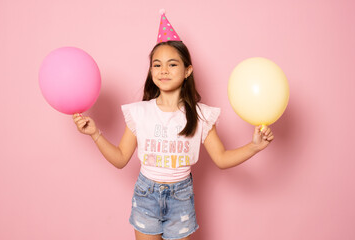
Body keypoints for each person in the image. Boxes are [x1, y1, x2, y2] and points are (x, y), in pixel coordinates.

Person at [73, 11, 274, 240]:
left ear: (187, 70)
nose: (164, 70)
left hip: (181, 197)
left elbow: (221, 158)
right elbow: (120, 159)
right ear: (150, 71)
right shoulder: (140, 113)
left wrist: (254, 147)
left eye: (172, 64)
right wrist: (95, 133)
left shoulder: (200, 115)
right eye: (157, 65)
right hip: (146, 195)